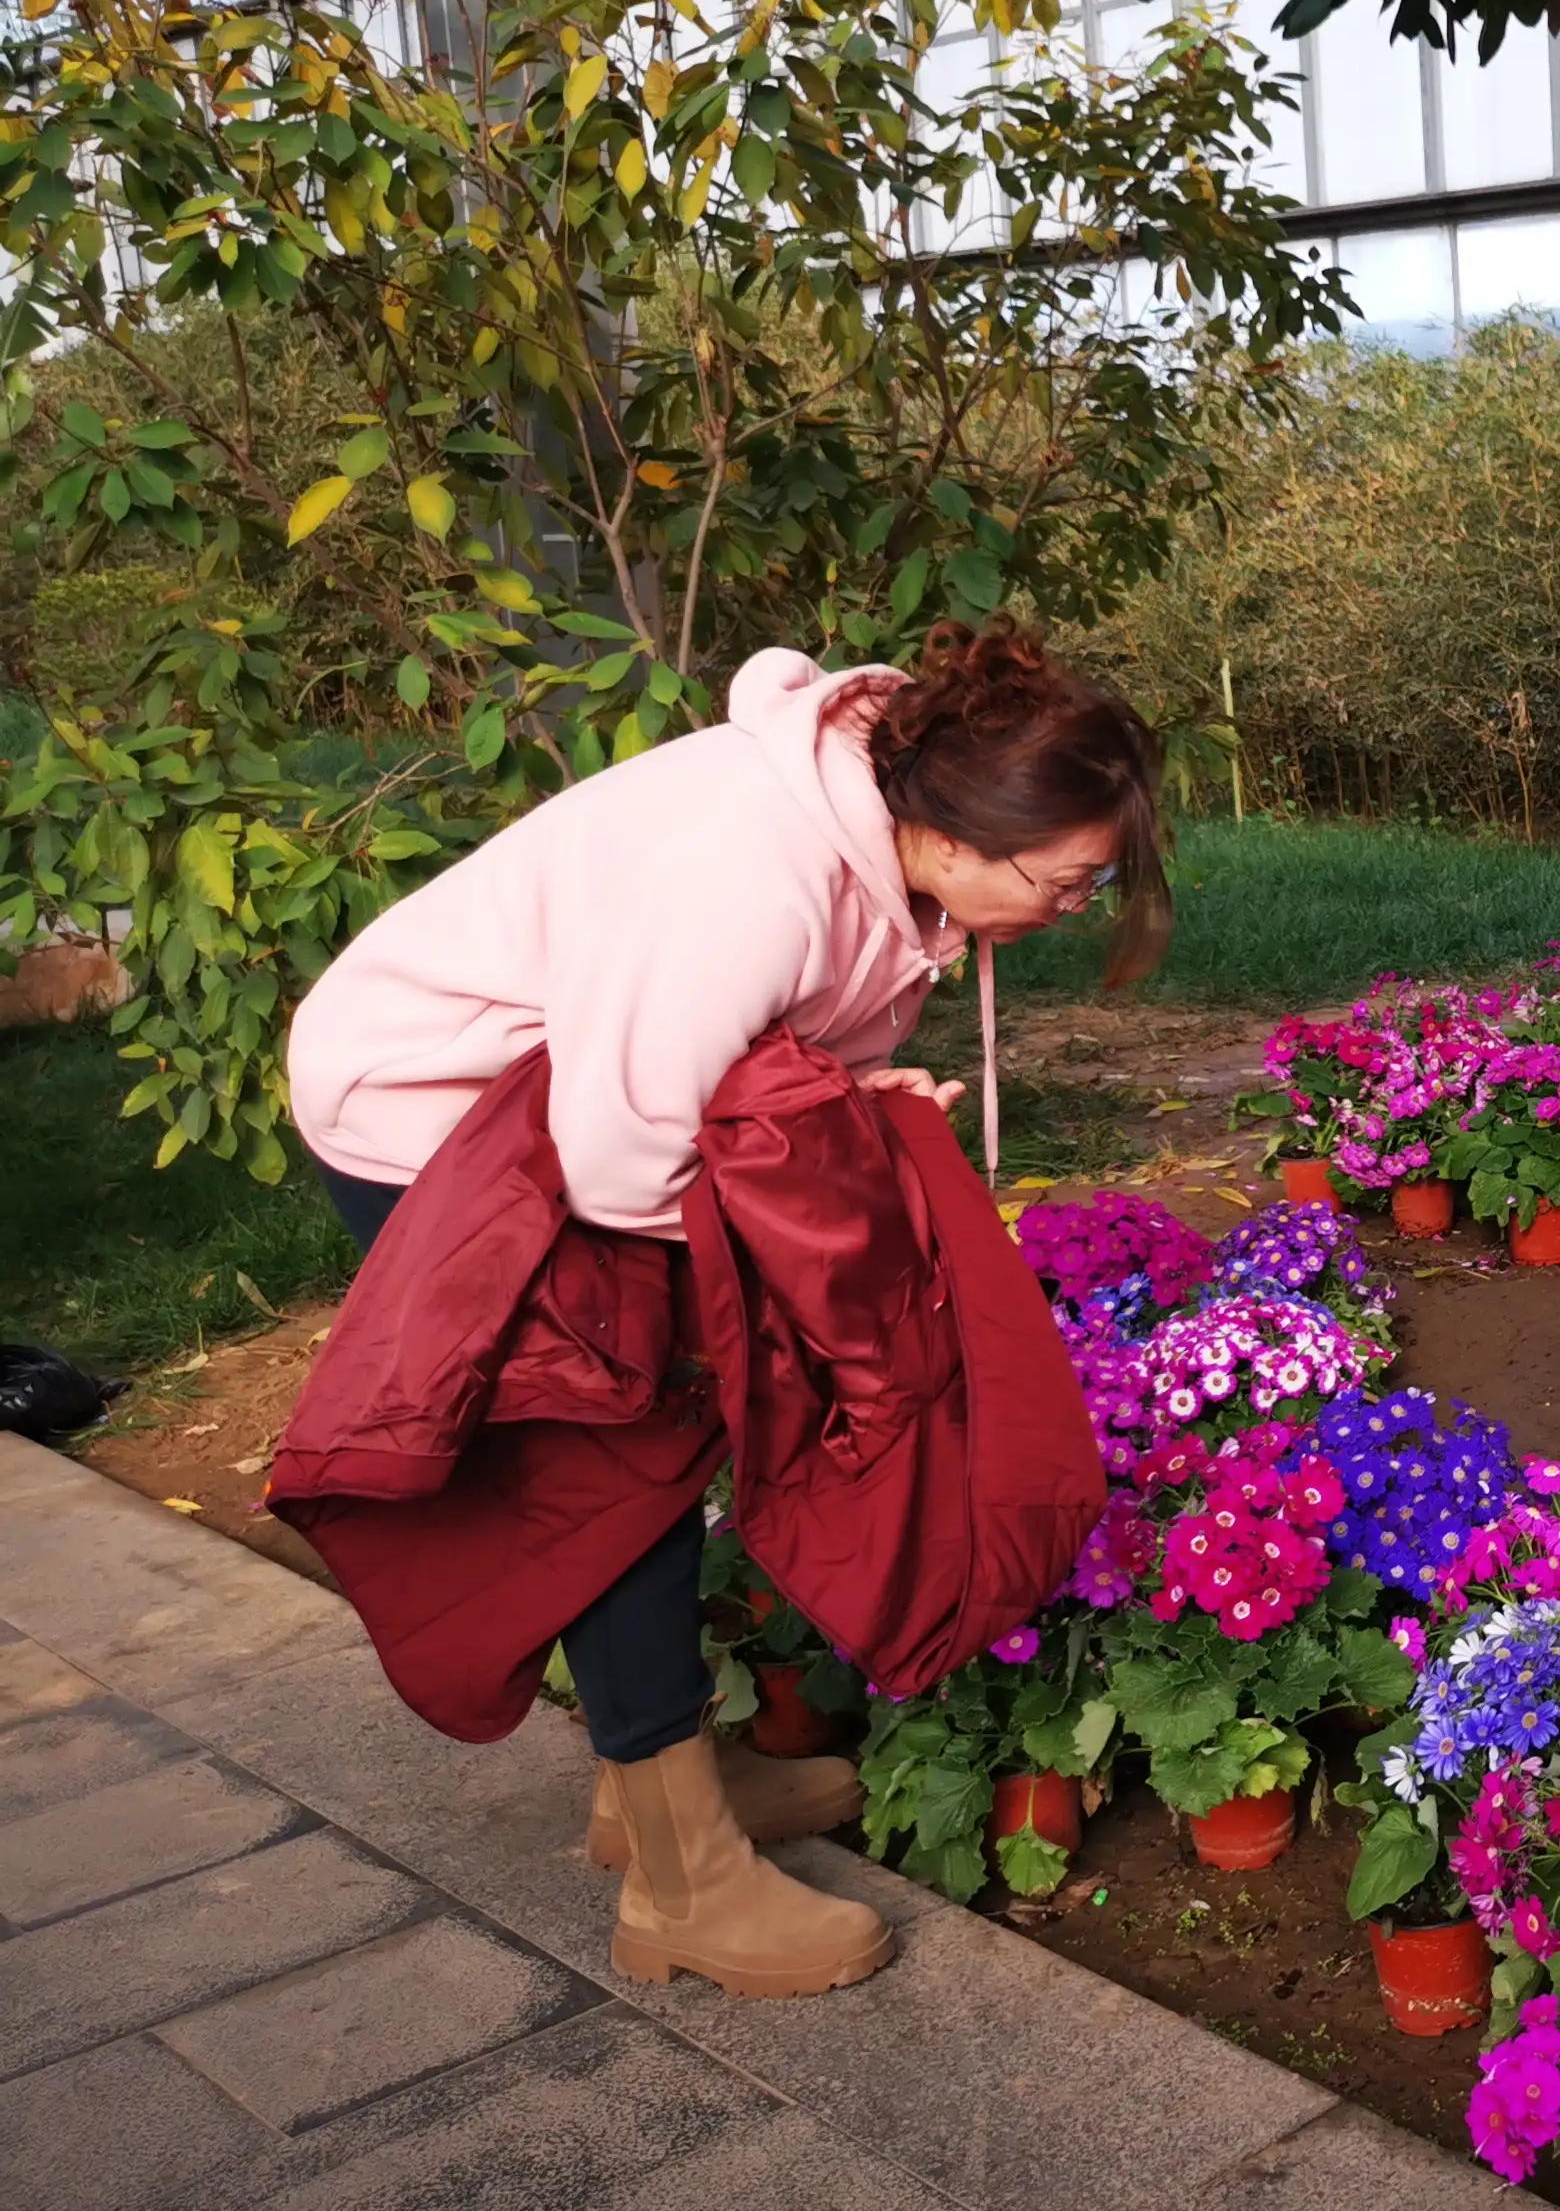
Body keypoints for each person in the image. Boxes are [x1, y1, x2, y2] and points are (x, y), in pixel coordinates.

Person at [285, 622, 1164, 1993]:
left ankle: (652, 1791)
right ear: (960, 836)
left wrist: (857, 1120)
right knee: (613, 1453)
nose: (1073, 910)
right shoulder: (753, 872)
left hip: (568, 1111)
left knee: (653, 1437)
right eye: (1067, 883)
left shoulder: (880, 849)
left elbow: (760, 1063)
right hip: (437, 1117)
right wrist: (814, 1206)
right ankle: (678, 1878)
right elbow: (624, 1149)